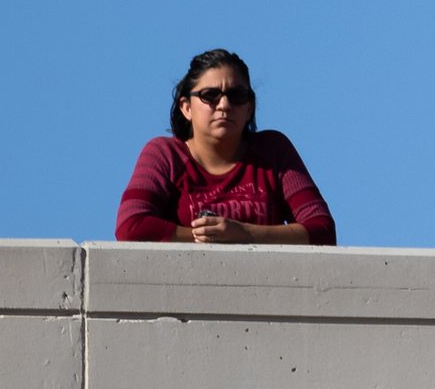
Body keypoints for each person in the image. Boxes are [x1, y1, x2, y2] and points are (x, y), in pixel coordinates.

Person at [114, 48, 336, 244]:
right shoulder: (165, 155)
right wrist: (206, 236)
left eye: (237, 96)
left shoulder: (273, 150)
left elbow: (322, 230)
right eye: (210, 95)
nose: (224, 105)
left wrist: (246, 234)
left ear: (249, 108)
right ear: (186, 107)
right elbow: (131, 226)